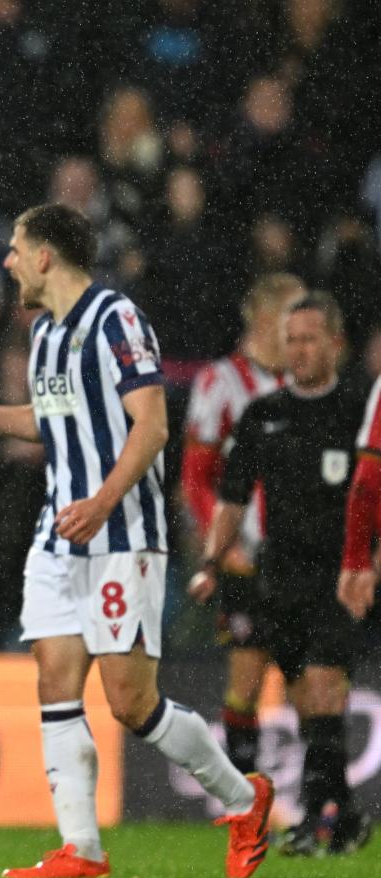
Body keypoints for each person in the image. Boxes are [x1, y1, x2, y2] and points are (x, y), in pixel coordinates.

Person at [0, 203, 272, 878]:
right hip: (58, 533)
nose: (7, 261)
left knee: (130, 702)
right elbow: (54, 421)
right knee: (55, 681)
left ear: (45, 256)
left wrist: (103, 503)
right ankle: (82, 847)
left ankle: (244, 799)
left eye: (16, 249)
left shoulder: (115, 319)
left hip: (121, 530)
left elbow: (152, 425)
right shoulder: (43, 333)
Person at [192, 292, 372, 856]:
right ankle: (339, 816)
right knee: (306, 700)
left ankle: (319, 821)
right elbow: (233, 498)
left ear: (336, 345)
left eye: (310, 338)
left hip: (340, 575)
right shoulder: (264, 415)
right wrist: (211, 560)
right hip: (280, 576)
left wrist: (369, 565)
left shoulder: (360, 409)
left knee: (325, 685)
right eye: (291, 339)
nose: (298, 350)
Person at [181, 273, 303, 773]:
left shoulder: (303, 382)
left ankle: (320, 804)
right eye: (295, 315)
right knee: (247, 677)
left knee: (309, 679)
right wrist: (222, 544)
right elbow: (195, 478)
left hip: (300, 553)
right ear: (268, 319)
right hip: (245, 554)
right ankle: (244, 799)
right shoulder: (221, 383)